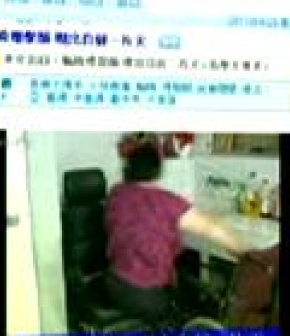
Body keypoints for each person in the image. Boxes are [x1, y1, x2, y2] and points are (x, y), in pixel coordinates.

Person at [105, 133, 249, 325]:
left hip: (113, 284)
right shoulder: (167, 202)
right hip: (146, 296)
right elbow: (212, 229)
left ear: (127, 167)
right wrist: (250, 254)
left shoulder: (116, 193)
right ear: (157, 170)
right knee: (188, 304)